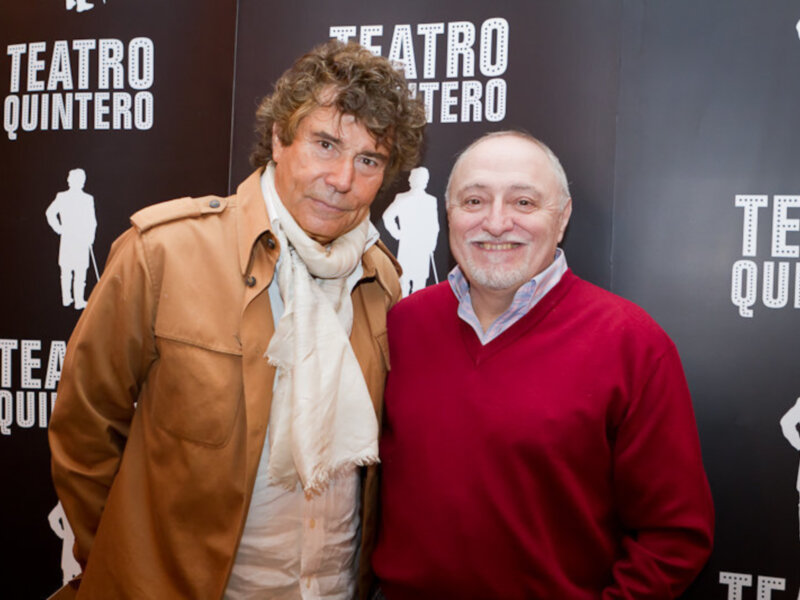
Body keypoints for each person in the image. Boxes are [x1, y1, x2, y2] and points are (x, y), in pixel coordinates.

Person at [48, 40, 426, 600]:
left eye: (368, 159)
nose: (343, 178)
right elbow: (85, 432)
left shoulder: (381, 280)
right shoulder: (163, 253)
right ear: (279, 138)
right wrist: (132, 569)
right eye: (325, 144)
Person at [372, 131, 714, 599]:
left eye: (524, 203)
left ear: (562, 216)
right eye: (474, 200)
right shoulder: (401, 326)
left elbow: (675, 537)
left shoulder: (632, 344)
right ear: (447, 212)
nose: (496, 222)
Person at [381, 166, 440, 296]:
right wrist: (397, 233)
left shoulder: (430, 201)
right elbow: (387, 216)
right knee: (404, 283)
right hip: (408, 246)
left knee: (419, 285)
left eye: (423, 178)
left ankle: (415, 313)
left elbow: (434, 226)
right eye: (417, 178)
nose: (420, 181)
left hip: (422, 248)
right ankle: (404, 311)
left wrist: (431, 244)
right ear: (411, 180)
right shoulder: (402, 198)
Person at [45, 168, 97, 310]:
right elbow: (50, 213)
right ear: (69, 181)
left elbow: (92, 221)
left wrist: (90, 237)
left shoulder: (88, 199)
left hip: (82, 240)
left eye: (80, 180)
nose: (78, 182)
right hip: (68, 239)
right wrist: (59, 228)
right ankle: (67, 299)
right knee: (66, 271)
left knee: (81, 272)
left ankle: (79, 300)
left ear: (83, 182)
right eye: (74, 179)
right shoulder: (62, 197)